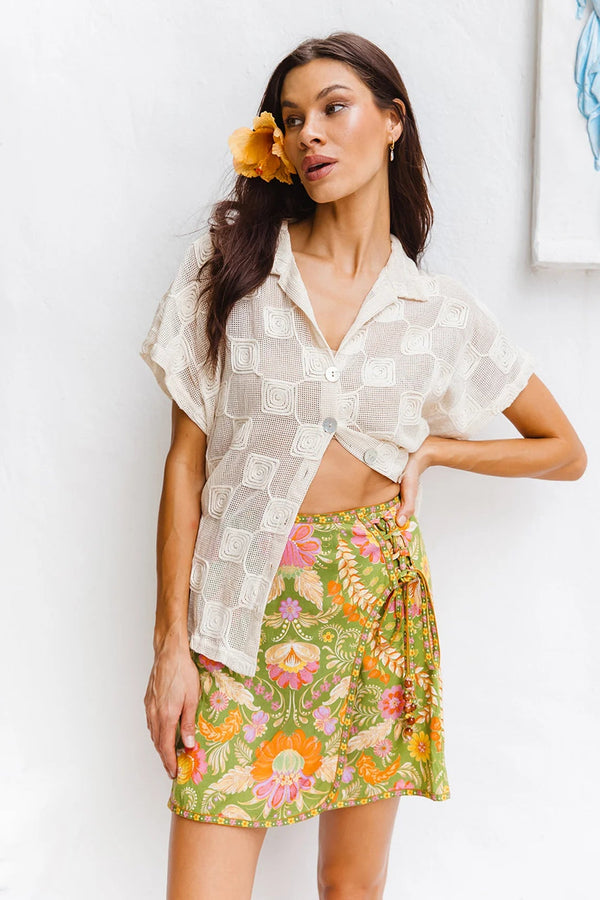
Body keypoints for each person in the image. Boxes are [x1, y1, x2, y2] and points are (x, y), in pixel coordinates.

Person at [139, 31, 587, 900]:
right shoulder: (230, 275)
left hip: (373, 608)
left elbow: (564, 450)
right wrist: (171, 648)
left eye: (334, 108)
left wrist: (441, 448)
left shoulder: (438, 312)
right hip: (238, 613)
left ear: (391, 121)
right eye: (294, 118)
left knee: (351, 888)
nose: (311, 134)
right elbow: (183, 466)